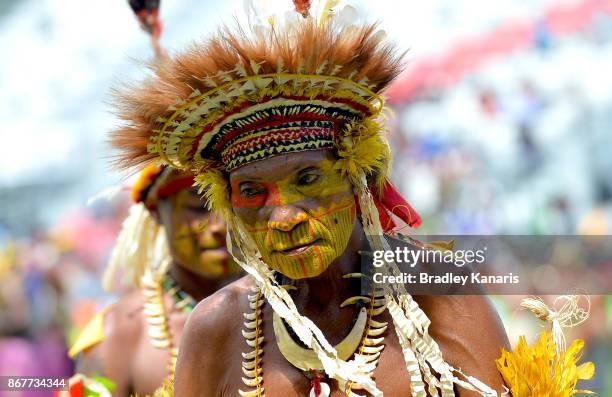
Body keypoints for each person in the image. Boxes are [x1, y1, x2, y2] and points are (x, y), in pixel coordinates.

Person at [108, 2, 595, 396]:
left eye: (307, 179)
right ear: (230, 208)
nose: (283, 219)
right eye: (253, 193)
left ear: (355, 175)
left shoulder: (440, 297)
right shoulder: (218, 330)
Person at [68, 166, 240, 396]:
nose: (220, 225)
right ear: (156, 211)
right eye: (200, 208)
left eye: (232, 205)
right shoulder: (118, 331)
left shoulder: (293, 310)